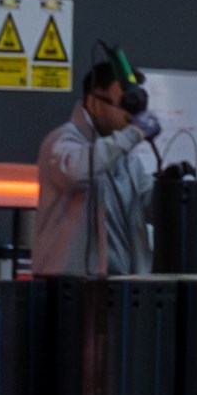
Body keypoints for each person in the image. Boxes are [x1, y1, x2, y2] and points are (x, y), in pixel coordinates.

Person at [28, 51, 155, 278]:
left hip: (120, 283)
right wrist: (131, 135)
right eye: (125, 103)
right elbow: (76, 173)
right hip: (69, 285)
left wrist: (172, 189)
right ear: (94, 101)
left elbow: (149, 206)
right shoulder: (62, 141)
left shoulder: (125, 156)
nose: (131, 115)